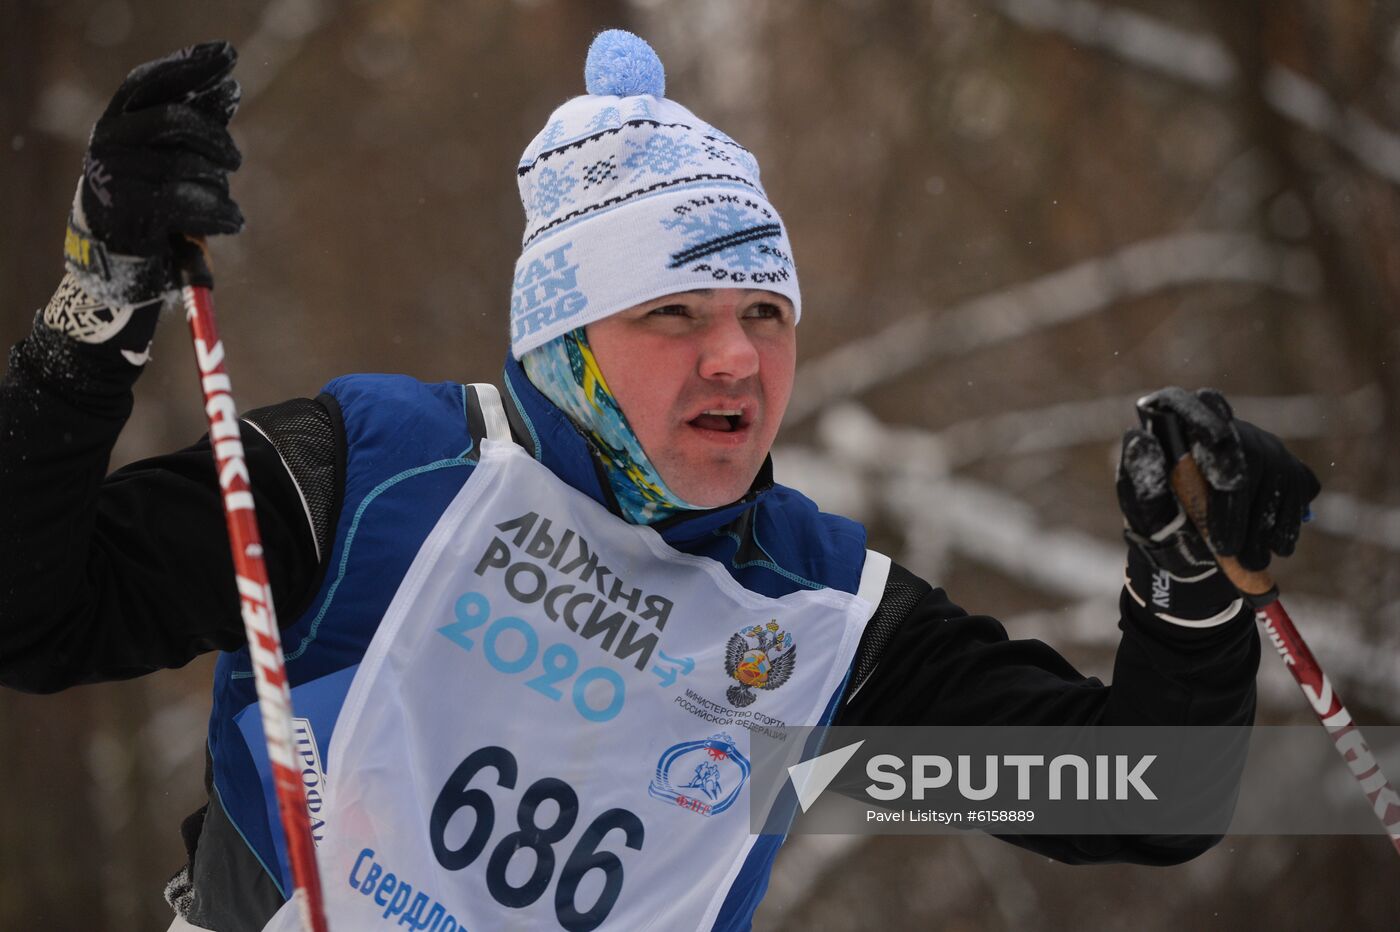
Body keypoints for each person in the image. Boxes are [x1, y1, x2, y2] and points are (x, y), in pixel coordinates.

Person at [0, 32, 1320, 932]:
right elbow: (34, 613)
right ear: (565, 343)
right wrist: (100, 296)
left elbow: (1143, 797)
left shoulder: (816, 625)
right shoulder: (377, 478)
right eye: (675, 316)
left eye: (766, 314)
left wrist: (1187, 585)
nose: (737, 360)